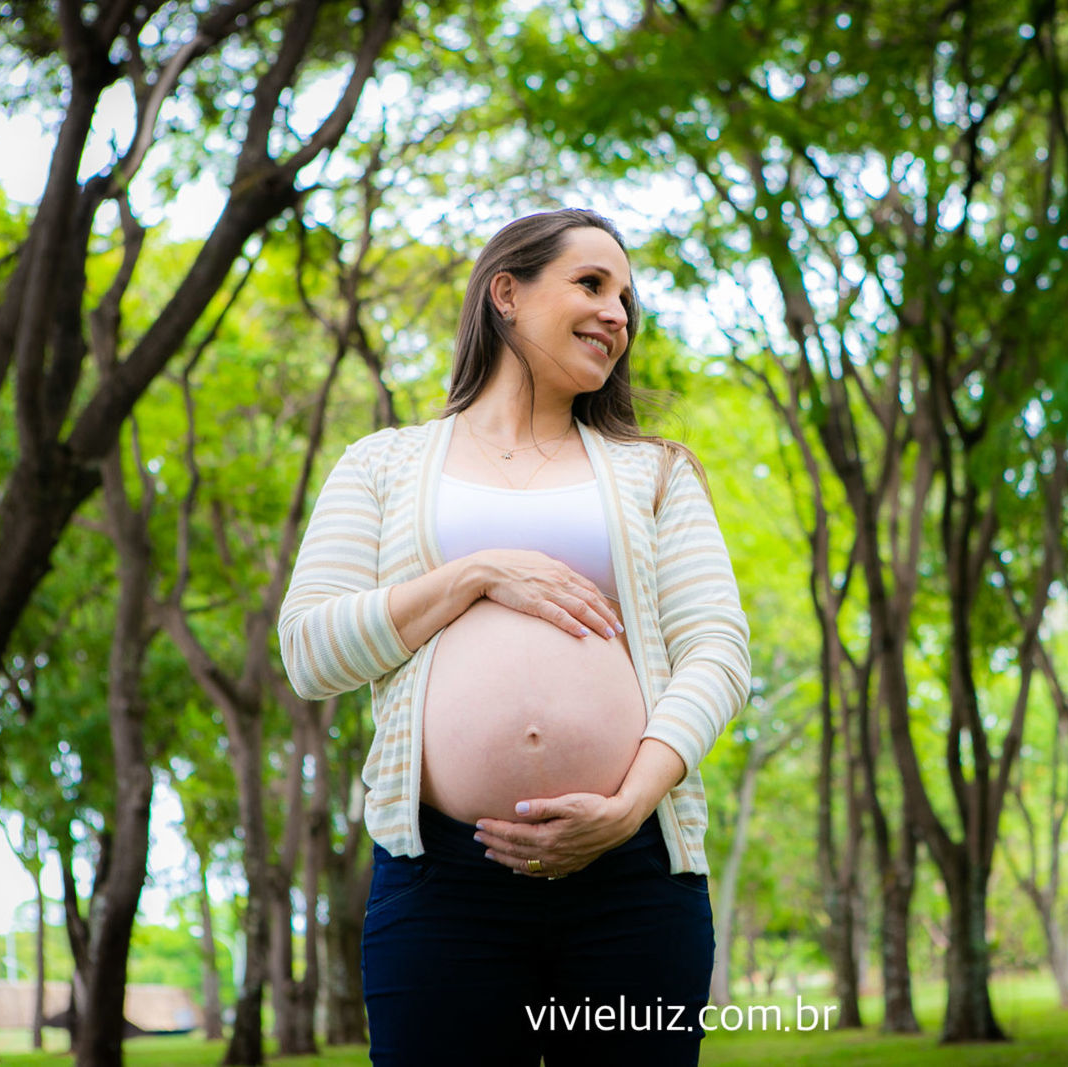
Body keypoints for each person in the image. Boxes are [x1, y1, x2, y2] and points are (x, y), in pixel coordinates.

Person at [278, 207, 751, 1065]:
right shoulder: (381, 464)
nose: (618, 313)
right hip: (442, 884)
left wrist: (626, 807)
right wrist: (476, 572)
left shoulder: (656, 472)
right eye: (592, 284)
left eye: (628, 301)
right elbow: (310, 650)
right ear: (506, 293)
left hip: (632, 877)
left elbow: (718, 650)